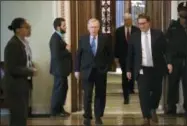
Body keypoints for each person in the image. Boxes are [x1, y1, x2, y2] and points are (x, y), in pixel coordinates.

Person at [126, 14, 172, 125]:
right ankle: (146, 117)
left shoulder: (158, 34)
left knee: (157, 91)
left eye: (143, 23)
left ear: (148, 23)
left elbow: (167, 49)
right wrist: (128, 70)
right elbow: (130, 55)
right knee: (143, 93)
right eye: (139, 23)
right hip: (142, 69)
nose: (141, 26)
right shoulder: (134, 37)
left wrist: (169, 63)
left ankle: (152, 108)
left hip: (157, 68)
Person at [74, 18, 113, 125]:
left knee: (100, 94)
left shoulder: (105, 39)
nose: (94, 29)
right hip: (86, 71)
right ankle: (87, 116)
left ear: (99, 28)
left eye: (96, 27)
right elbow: (78, 55)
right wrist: (76, 69)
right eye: (91, 27)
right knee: (87, 95)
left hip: (100, 71)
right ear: (88, 28)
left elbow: (110, 55)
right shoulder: (83, 39)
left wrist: (107, 67)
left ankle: (98, 116)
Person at [4, 17, 37, 126]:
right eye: (27, 27)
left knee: (22, 117)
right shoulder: (13, 44)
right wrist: (29, 71)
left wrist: (29, 67)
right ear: (18, 29)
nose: (29, 29)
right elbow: (12, 68)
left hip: (23, 84)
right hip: (15, 86)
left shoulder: (24, 43)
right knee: (18, 118)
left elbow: (23, 62)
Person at [165, 1, 187, 115]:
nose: (184, 17)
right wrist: (169, 61)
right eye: (182, 13)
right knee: (172, 84)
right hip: (175, 60)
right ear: (179, 13)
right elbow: (167, 46)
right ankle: (171, 106)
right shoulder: (173, 26)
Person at [115, 13, 139, 104]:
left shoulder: (137, 30)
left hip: (134, 57)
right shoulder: (119, 31)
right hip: (123, 57)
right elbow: (116, 44)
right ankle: (126, 97)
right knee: (124, 75)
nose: (127, 21)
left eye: (129, 19)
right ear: (123, 21)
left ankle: (131, 88)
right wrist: (116, 57)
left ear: (131, 20)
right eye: (125, 20)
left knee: (132, 73)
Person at [49, 18, 72, 117]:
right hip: (59, 70)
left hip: (62, 70)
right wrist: (67, 50)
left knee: (63, 89)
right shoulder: (55, 38)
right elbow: (56, 55)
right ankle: (55, 111)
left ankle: (60, 109)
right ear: (58, 27)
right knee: (59, 90)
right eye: (64, 25)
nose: (65, 27)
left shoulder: (59, 37)